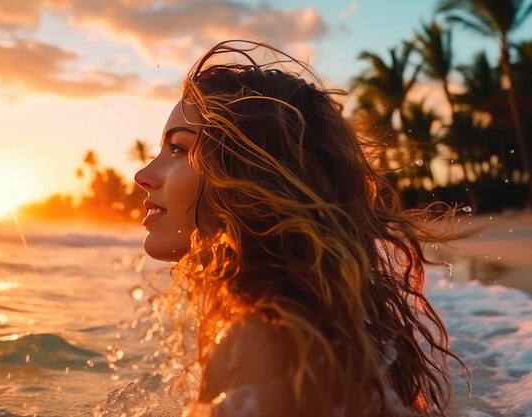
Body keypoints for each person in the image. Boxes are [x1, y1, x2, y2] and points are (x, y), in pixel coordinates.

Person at [134, 40, 465, 417]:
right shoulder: (328, 324)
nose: (143, 176)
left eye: (178, 149)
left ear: (249, 172)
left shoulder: (267, 342)